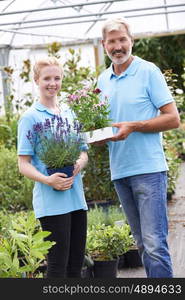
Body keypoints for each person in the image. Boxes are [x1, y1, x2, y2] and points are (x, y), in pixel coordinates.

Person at [97, 17, 180, 278]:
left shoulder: (148, 71)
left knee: (155, 245)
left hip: (149, 170)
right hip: (120, 171)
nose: (118, 46)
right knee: (142, 244)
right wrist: (95, 136)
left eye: (122, 39)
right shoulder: (102, 80)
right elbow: (103, 126)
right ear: (104, 45)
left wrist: (135, 125)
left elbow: (173, 118)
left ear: (131, 41)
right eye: (112, 41)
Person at [17, 57, 88, 278]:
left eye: (57, 78)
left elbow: (83, 151)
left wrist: (79, 163)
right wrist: (49, 180)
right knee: (57, 267)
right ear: (37, 80)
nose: (52, 83)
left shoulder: (69, 112)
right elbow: (23, 164)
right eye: (47, 78)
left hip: (76, 197)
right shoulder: (30, 118)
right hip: (51, 203)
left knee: (76, 266)